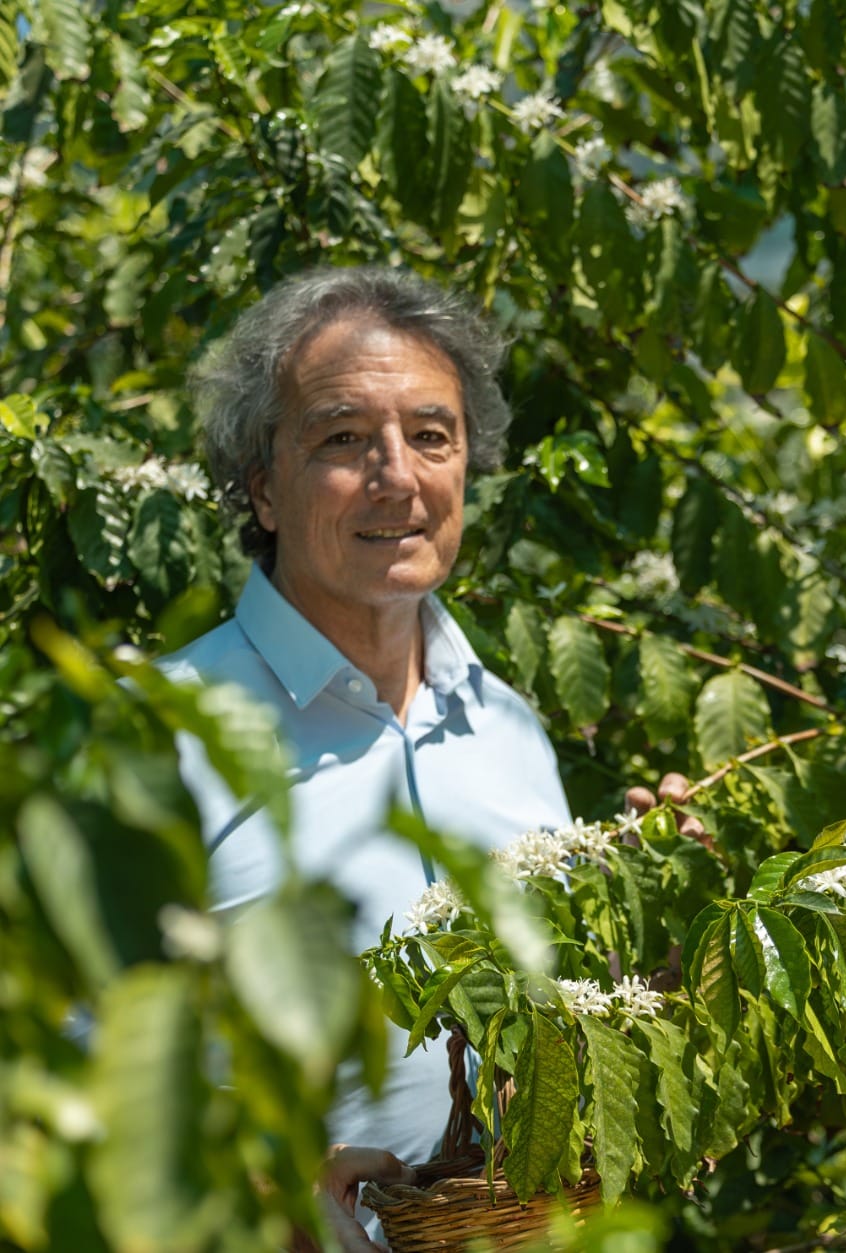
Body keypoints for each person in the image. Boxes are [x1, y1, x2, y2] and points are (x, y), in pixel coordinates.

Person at [161, 266, 572, 1249]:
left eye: (432, 435)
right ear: (261, 485)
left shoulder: (511, 731)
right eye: (343, 438)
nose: (397, 474)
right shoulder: (160, 733)